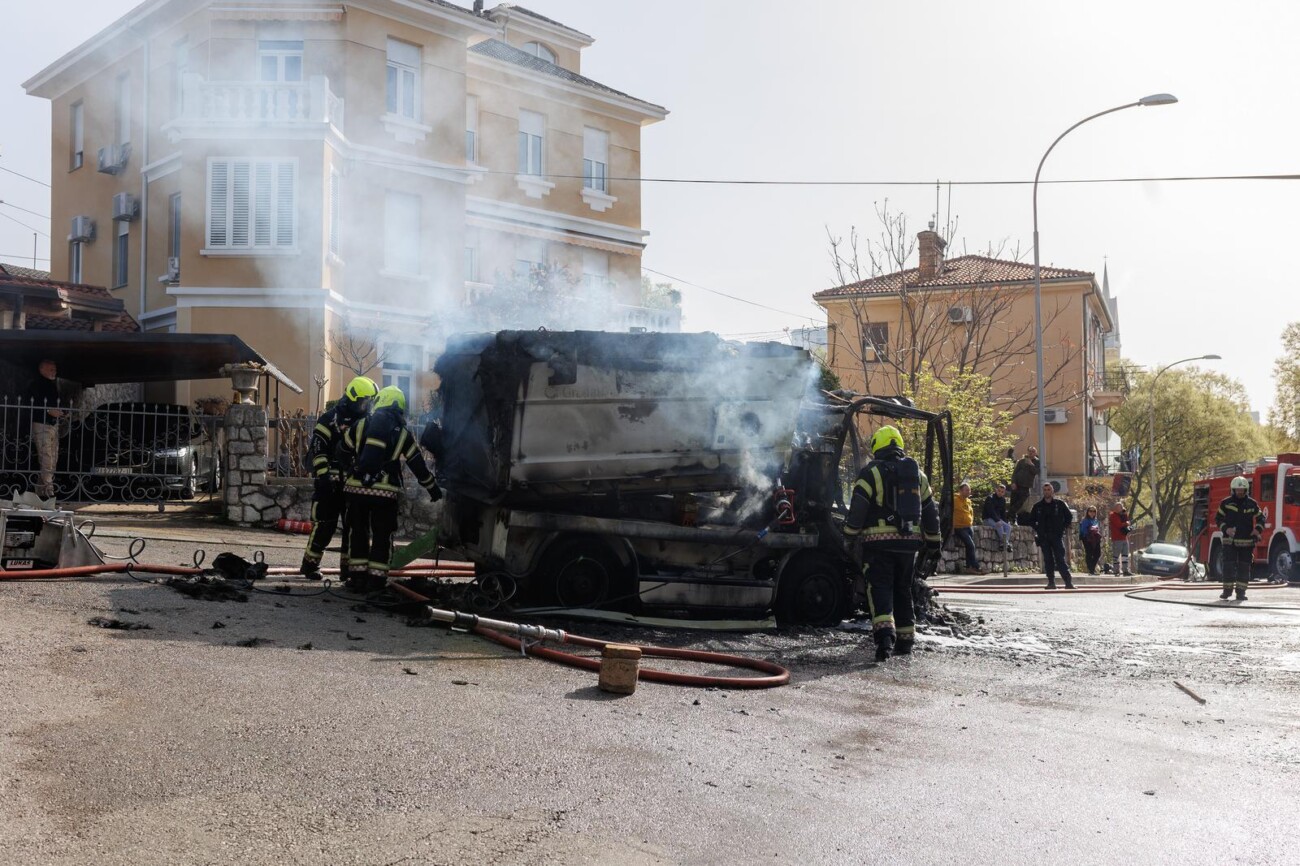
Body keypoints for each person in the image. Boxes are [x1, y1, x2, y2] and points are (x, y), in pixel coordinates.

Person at [843, 425, 942, 662]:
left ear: (878, 446)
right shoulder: (918, 475)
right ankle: (906, 640)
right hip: (908, 547)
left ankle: (885, 640)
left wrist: (848, 535)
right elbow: (931, 513)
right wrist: (934, 544)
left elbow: (858, 508)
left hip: (878, 546)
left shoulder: (871, 473)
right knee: (903, 589)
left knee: (880, 589)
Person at [340, 386, 441, 594]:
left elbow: (341, 450)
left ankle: (357, 578)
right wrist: (433, 488)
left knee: (357, 532)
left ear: (381, 401)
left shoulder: (361, 424)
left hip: (357, 490)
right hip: (385, 494)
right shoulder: (402, 433)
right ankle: (376, 580)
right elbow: (417, 464)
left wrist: (352, 468)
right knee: (382, 536)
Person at [299, 376, 378, 579]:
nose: (367, 406)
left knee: (352, 528)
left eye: (370, 402)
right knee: (324, 525)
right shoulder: (330, 419)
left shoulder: (366, 421)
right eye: (364, 402)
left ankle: (347, 570)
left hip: (352, 484)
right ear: (353, 398)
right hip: (329, 484)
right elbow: (318, 449)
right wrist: (324, 476)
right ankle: (309, 565)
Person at [1214, 475, 1264, 601]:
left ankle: (1241, 593)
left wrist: (1257, 530)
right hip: (1229, 541)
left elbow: (1261, 518)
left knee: (1244, 567)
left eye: (1242, 490)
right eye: (1238, 490)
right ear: (1233, 490)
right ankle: (1227, 591)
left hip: (1247, 542)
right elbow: (1218, 519)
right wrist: (1226, 529)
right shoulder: (1226, 503)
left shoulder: (1252, 504)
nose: (1240, 492)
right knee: (1228, 566)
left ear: (1246, 490)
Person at [25, 359, 65, 500]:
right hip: (41, 423)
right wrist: (48, 410)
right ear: (41, 369)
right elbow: (33, 402)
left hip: (52, 424)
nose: (54, 372)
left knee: (53, 457)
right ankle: (49, 491)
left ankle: (40, 491)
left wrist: (60, 412)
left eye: (55, 369)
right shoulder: (36, 384)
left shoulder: (51, 385)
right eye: (51, 369)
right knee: (46, 457)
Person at [1028, 482, 1073, 589]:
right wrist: (1038, 529)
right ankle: (1051, 582)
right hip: (1044, 538)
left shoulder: (1060, 504)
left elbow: (1069, 517)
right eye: (1045, 490)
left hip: (1057, 536)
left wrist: (1062, 527)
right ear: (1043, 491)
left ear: (1052, 491)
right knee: (1048, 560)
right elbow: (1031, 520)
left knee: (1060, 559)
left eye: (1049, 489)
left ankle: (1068, 582)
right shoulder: (1038, 506)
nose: (1047, 491)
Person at [952, 482, 983, 573]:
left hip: (969, 526)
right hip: (959, 527)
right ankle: (976, 566)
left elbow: (971, 513)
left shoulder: (968, 501)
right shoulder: (955, 500)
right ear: (960, 491)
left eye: (969, 490)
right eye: (966, 490)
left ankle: (969, 567)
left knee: (969, 546)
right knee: (971, 545)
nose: (969, 492)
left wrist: (971, 522)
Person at [1008, 446, 1040, 517]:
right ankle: (1011, 517)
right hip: (1017, 484)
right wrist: (1013, 482)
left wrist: (1031, 464)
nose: (1031, 453)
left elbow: (1036, 472)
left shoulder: (1037, 462)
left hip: (1026, 486)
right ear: (1027, 452)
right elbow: (1015, 472)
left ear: (1035, 453)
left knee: (1021, 501)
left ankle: (1009, 513)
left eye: (1033, 451)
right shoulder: (1022, 461)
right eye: (1030, 451)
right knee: (1013, 501)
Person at [982, 482, 1012, 550]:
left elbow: (1003, 513)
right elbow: (991, 511)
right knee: (999, 525)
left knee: (1008, 527)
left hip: (997, 519)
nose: (1000, 493)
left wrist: (1005, 522)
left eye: (1002, 492)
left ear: (1004, 493)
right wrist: (997, 520)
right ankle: (1006, 544)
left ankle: (1003, 544)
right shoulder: (990, 498)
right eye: (999, 491)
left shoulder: (1003, 500)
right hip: (988, 519)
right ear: (996, 490)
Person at [1109, 501, 1132, 576]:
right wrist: (1126, 523)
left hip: (1124, 537)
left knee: (1125, 555)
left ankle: (1125, 570)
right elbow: (1118, 525)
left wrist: (1125, 514)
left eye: (1121, 507)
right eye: (1119, 507)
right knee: (1116, 555)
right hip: (1117, 538)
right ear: (1115, 508)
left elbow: (1127, 521)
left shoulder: (1123, 515)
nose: (1120, 508)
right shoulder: (1113, 515)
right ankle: (1116, 570)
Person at [1079, 505, 1103, 575]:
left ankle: (1092, 568)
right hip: (1087, 538)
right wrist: (1090, 531)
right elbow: (1083, 530)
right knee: (1089, 553)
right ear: (1088, 512)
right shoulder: (1085, 520)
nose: (1092, 513)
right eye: (1090, 511)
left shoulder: (1096, 520)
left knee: (1097, 553)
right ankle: (1091, 570)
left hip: (1095, 538)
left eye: (1094, 511)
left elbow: (1097, 529)